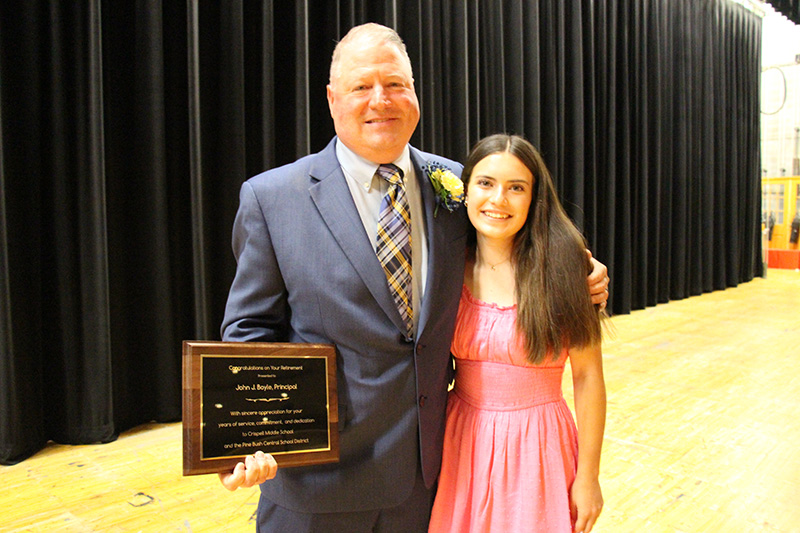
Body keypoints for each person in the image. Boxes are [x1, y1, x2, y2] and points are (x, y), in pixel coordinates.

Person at [217, 23, 609, 532]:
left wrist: (580, 266)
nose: (381, 99)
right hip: (317, 483)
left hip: (429, 479)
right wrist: (241, 440)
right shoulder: (273, 199)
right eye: (362, 86)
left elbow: (519, 238)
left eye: (396, 83)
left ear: (415, 94)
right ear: (333, 100)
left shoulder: (456, 189)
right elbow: (248, 333)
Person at [428, 134, 607, 533]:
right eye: (486, 183)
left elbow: (588, 375)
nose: (498, 200)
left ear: (533, 198)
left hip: (537, 443)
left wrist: (589, 476)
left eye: (516, 188)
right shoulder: (447, 266)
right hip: (461, 438)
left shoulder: (565, 268)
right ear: (466, 189)